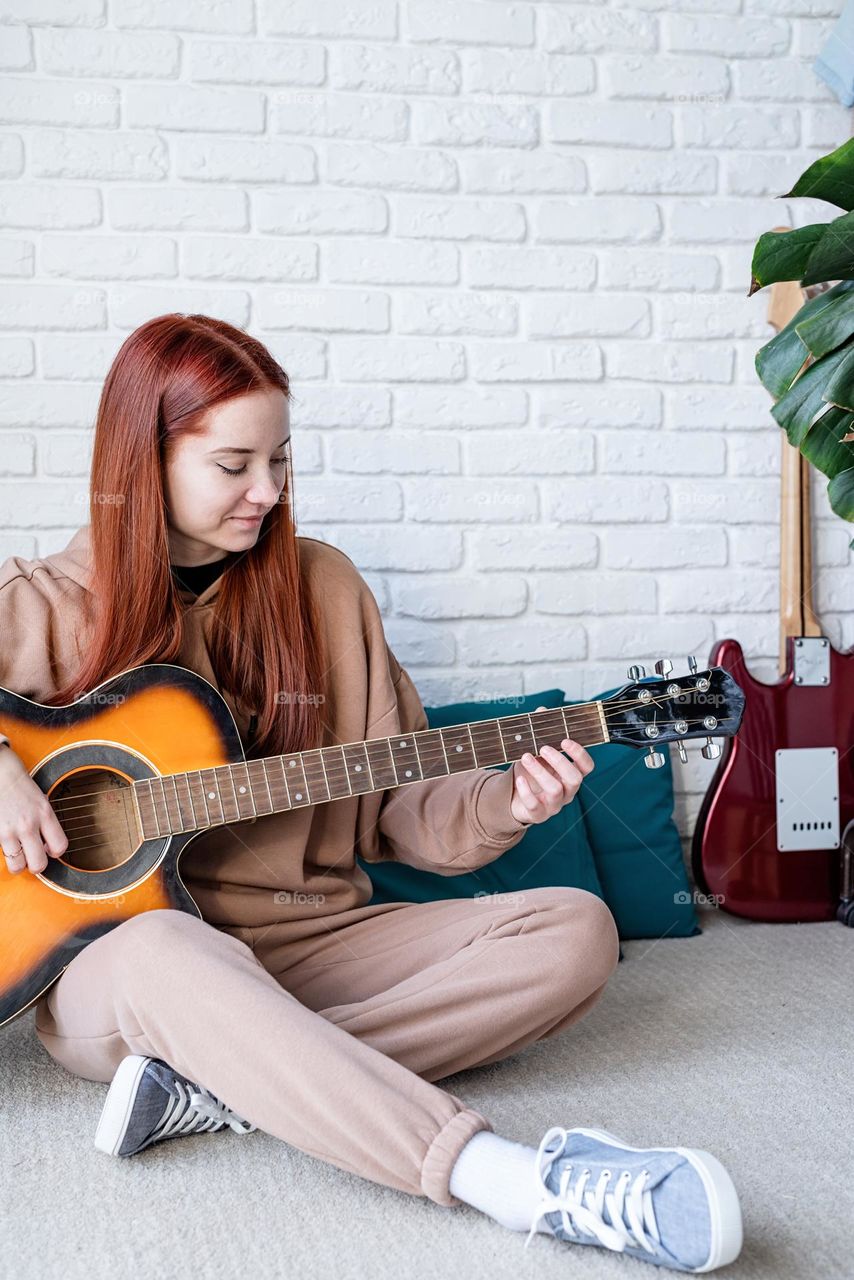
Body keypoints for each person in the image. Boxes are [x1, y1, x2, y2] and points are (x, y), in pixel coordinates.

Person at [0, 314, 742, 1272]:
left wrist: (506, 804)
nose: (268, 491)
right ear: (144, 462)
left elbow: (398, 806)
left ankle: (226, 1082)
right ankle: (515, 1180)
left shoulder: (326, 589)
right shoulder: (44, 602)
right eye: (233, 465)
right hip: (129, 968)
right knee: (163, 945)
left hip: (311, 940)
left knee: (574, 930)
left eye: (280, 460)